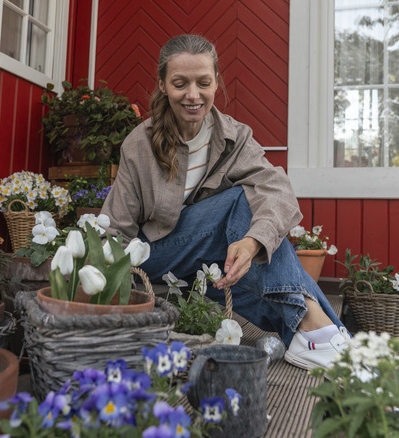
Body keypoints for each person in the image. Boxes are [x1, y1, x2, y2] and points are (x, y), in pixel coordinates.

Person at [102, 34, 349, 371]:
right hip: (155, 255)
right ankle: (321, 330)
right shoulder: (139, 145)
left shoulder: (235, 136)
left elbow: (278, 190)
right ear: (162, 85)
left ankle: (314, 336)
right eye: (180, 83)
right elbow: (116, 229)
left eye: (203, 82)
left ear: (216, 82)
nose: (193, 95)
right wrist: (109, 289)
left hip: (205, 262)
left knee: (257, 261)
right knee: (239, 199)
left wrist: (251, 243)